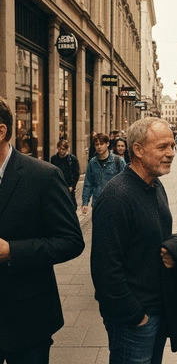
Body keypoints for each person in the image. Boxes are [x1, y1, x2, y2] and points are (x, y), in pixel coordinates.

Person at [90, 118, 177, 363]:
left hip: (159, 310)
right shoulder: (116, 198)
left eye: (171, 146)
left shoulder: (155, 185)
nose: (171, 153)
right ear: (137, 150)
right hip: (134, 320)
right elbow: (106, 270)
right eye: (162, 147)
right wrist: (136, 315)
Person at [0, 97, 84, 363]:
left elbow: (71, 240)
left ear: (1, 131)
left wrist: (12, 251)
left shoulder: (43, 176)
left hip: (26, 320)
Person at [81, 132, 125, 214]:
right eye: (97, 144)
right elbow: (88, 183)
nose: (99, 147)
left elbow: (125, 182)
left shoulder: (118, 161)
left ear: (107, 144)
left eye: (101, 144)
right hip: (97, 204)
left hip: (114, 204)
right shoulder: (92, 163)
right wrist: (85, 202)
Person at [51, 139, 80, 210]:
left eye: (63, 149)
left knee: (71, 206)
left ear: (66, 149)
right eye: (59, 148)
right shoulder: (54, 159)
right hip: (57, 186)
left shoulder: (72, 159)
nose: (61, 151)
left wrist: (72, 186)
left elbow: (76, 173)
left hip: (68, 186)